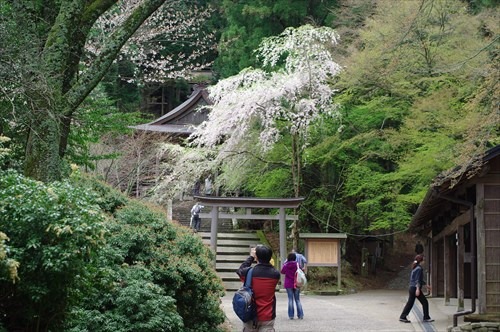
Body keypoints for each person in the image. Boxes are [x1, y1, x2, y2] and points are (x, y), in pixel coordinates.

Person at [236, 245, 280, 331]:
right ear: (270, 257)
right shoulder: (275, 274)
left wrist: (251, 257)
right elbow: (269, 267)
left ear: (256, 257)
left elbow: (240, 270)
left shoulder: (248, 272)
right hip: (268, 315)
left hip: (250, 315)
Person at [399, 255, 434, 323]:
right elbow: (417, 280)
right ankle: (426, 317)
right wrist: (418, 289)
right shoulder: (419, 269)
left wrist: (426, 285)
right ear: (421, 261)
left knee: (410, 303)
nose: (424, 261)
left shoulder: (415, 268)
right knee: (424, 302)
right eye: (423, 260)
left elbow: (418, 279)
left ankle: (403, 316)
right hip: (415, 288)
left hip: (412, 287)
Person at [281, 252, 304, 320]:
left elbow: (282, 271)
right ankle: (300, 315)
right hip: (296, 283)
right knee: (297, 299)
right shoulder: (297, 264)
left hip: (288, 284)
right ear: (295, 258)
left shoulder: (286, 265)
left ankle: (291, 315)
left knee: (290, 299)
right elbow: (301, 270)